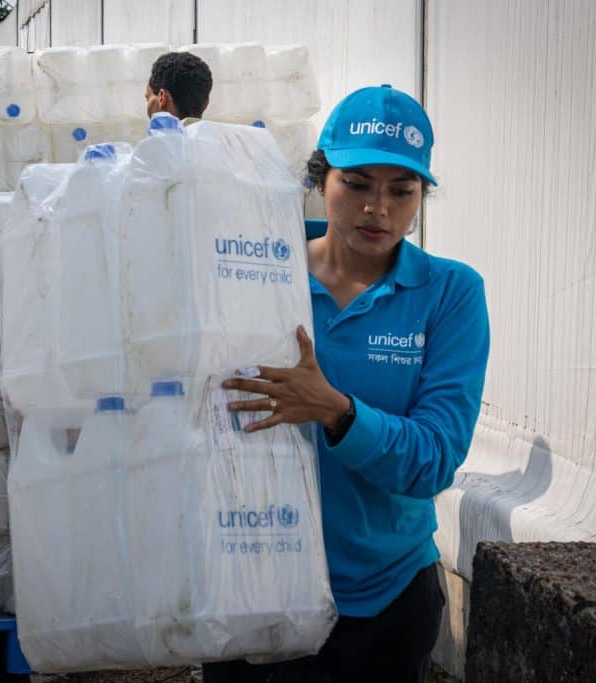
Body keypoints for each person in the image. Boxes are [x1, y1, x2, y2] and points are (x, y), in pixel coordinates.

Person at [204, 85, 491, 682]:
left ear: (421, 196)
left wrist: (337, 412)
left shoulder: (450, 295)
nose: (377, 208)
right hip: (253, 585)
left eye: (401, 190)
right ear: (320, 180)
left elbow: (435, 459)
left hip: (382, 601)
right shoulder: (253, 271)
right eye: (356, 183)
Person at [145, 51, 213, 124]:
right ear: (207, 103)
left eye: (147, 98)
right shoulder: (221, 133)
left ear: (162, 98)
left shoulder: (158, 135)